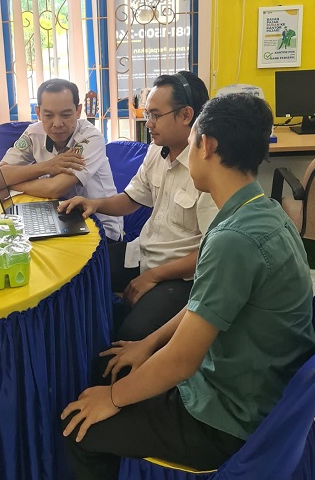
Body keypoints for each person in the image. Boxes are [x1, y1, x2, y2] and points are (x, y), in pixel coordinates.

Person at [61, 94, 315, 480]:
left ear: (206, 145)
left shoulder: (234, 238)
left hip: (227, 418)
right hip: (250, 385)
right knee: (114, 366)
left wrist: (112, 399)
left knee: (78, 432)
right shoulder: (259, 211)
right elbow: (205, 306)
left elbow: (182, 361)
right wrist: (148, 343)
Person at [60, 72, 217, 340]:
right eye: (147, 114)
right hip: (143, 253)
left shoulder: (208, 170)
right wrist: (94, 203)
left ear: (186, 115)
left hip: (181, 276)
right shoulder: (157, 149)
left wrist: (153, 276)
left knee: (132, 333)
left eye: (155, 115)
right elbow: (132, 198)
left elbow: (210, 255)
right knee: (78, 275)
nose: (148, 123)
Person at [0, 78, 122, 240]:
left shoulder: (90, 138)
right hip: (56, 215)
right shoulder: (33, 133)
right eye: (48, 115)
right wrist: (47, 166)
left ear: (78, 111)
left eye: (65, 115)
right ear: (38, 113)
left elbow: (55, 188)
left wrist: (11, 183)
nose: (57, 123)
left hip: (99, 226)